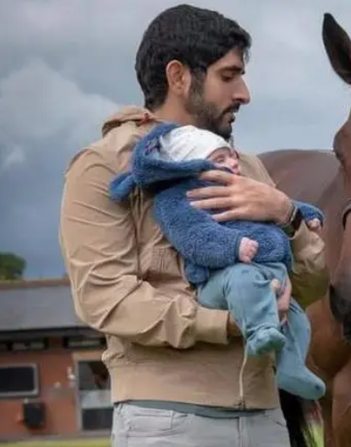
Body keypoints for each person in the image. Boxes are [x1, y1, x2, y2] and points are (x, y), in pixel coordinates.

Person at [58, 4, 328, 447]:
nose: (244, 93)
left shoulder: (251, 169)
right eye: (229, 75)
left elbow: (313, 287)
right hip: (168, 422)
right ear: (179, 77)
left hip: (267, 418)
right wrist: (229, 322)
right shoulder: (105, 166)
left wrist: (286, 213)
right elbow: (105, 298)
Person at [108, 122, 327, 401]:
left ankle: (293, 367)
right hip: (223, 276)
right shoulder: (179, 199)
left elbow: (282, 206)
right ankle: (261, 332)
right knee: (243, 282)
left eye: (231, 156)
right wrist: (233, 247)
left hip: (267, 272)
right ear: (192, 166)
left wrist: (304, 214)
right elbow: (195, 238)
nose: (233, 162)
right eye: (219, 159)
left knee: (298, 318)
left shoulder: (242, 186)